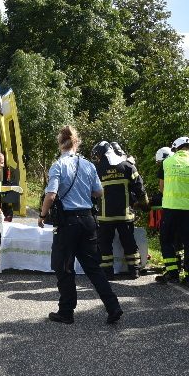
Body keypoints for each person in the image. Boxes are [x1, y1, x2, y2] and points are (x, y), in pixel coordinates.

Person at [38, 125, 123, 325]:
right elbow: (99, 192)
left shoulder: (58, 165)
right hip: (88, 221)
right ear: (77, 143)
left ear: (60, 144)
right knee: (93, 267)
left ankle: (66, 312)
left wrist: (42, 215)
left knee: (65, 267)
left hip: (68, 223)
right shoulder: (88, 165)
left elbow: (51, 195)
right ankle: (113, 307)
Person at [91, 140, 148, 280]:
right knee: (129, 243)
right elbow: (140, 189)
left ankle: (107, 273)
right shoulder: (128, 166)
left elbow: (91, 192)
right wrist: (145, 205)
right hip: (125, 215)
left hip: (105, 216)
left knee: (104, 245)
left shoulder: (97, 169)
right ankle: (134, 270)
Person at [156, 136, 189, 287]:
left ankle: (173, 273)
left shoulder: (167, 163)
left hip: (170, 208)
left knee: (166, 240)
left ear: (175, 148)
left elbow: (161, 188)